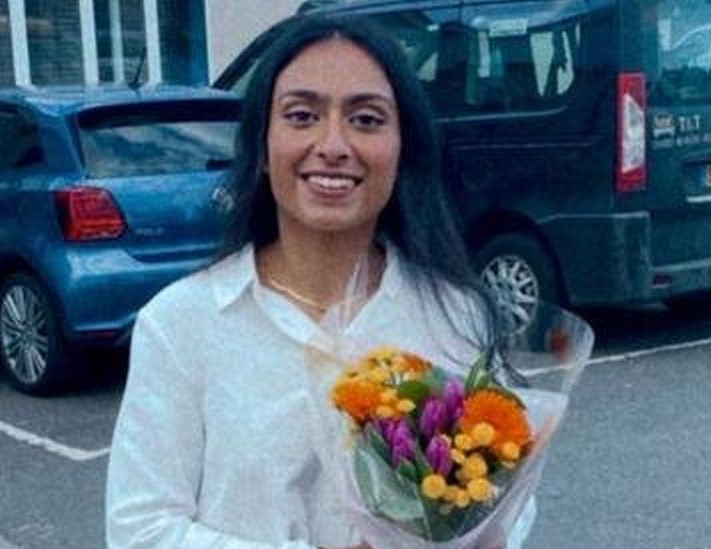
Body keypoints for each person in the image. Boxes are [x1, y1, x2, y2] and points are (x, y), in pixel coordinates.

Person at [106, 14, 536, 548]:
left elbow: (507, 500)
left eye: (367, 119)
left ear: (404, 150)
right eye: (303, 115)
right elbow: (139, 531)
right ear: (262, 146)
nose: (333, 144)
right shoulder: (182, 325)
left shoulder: (456, 315)